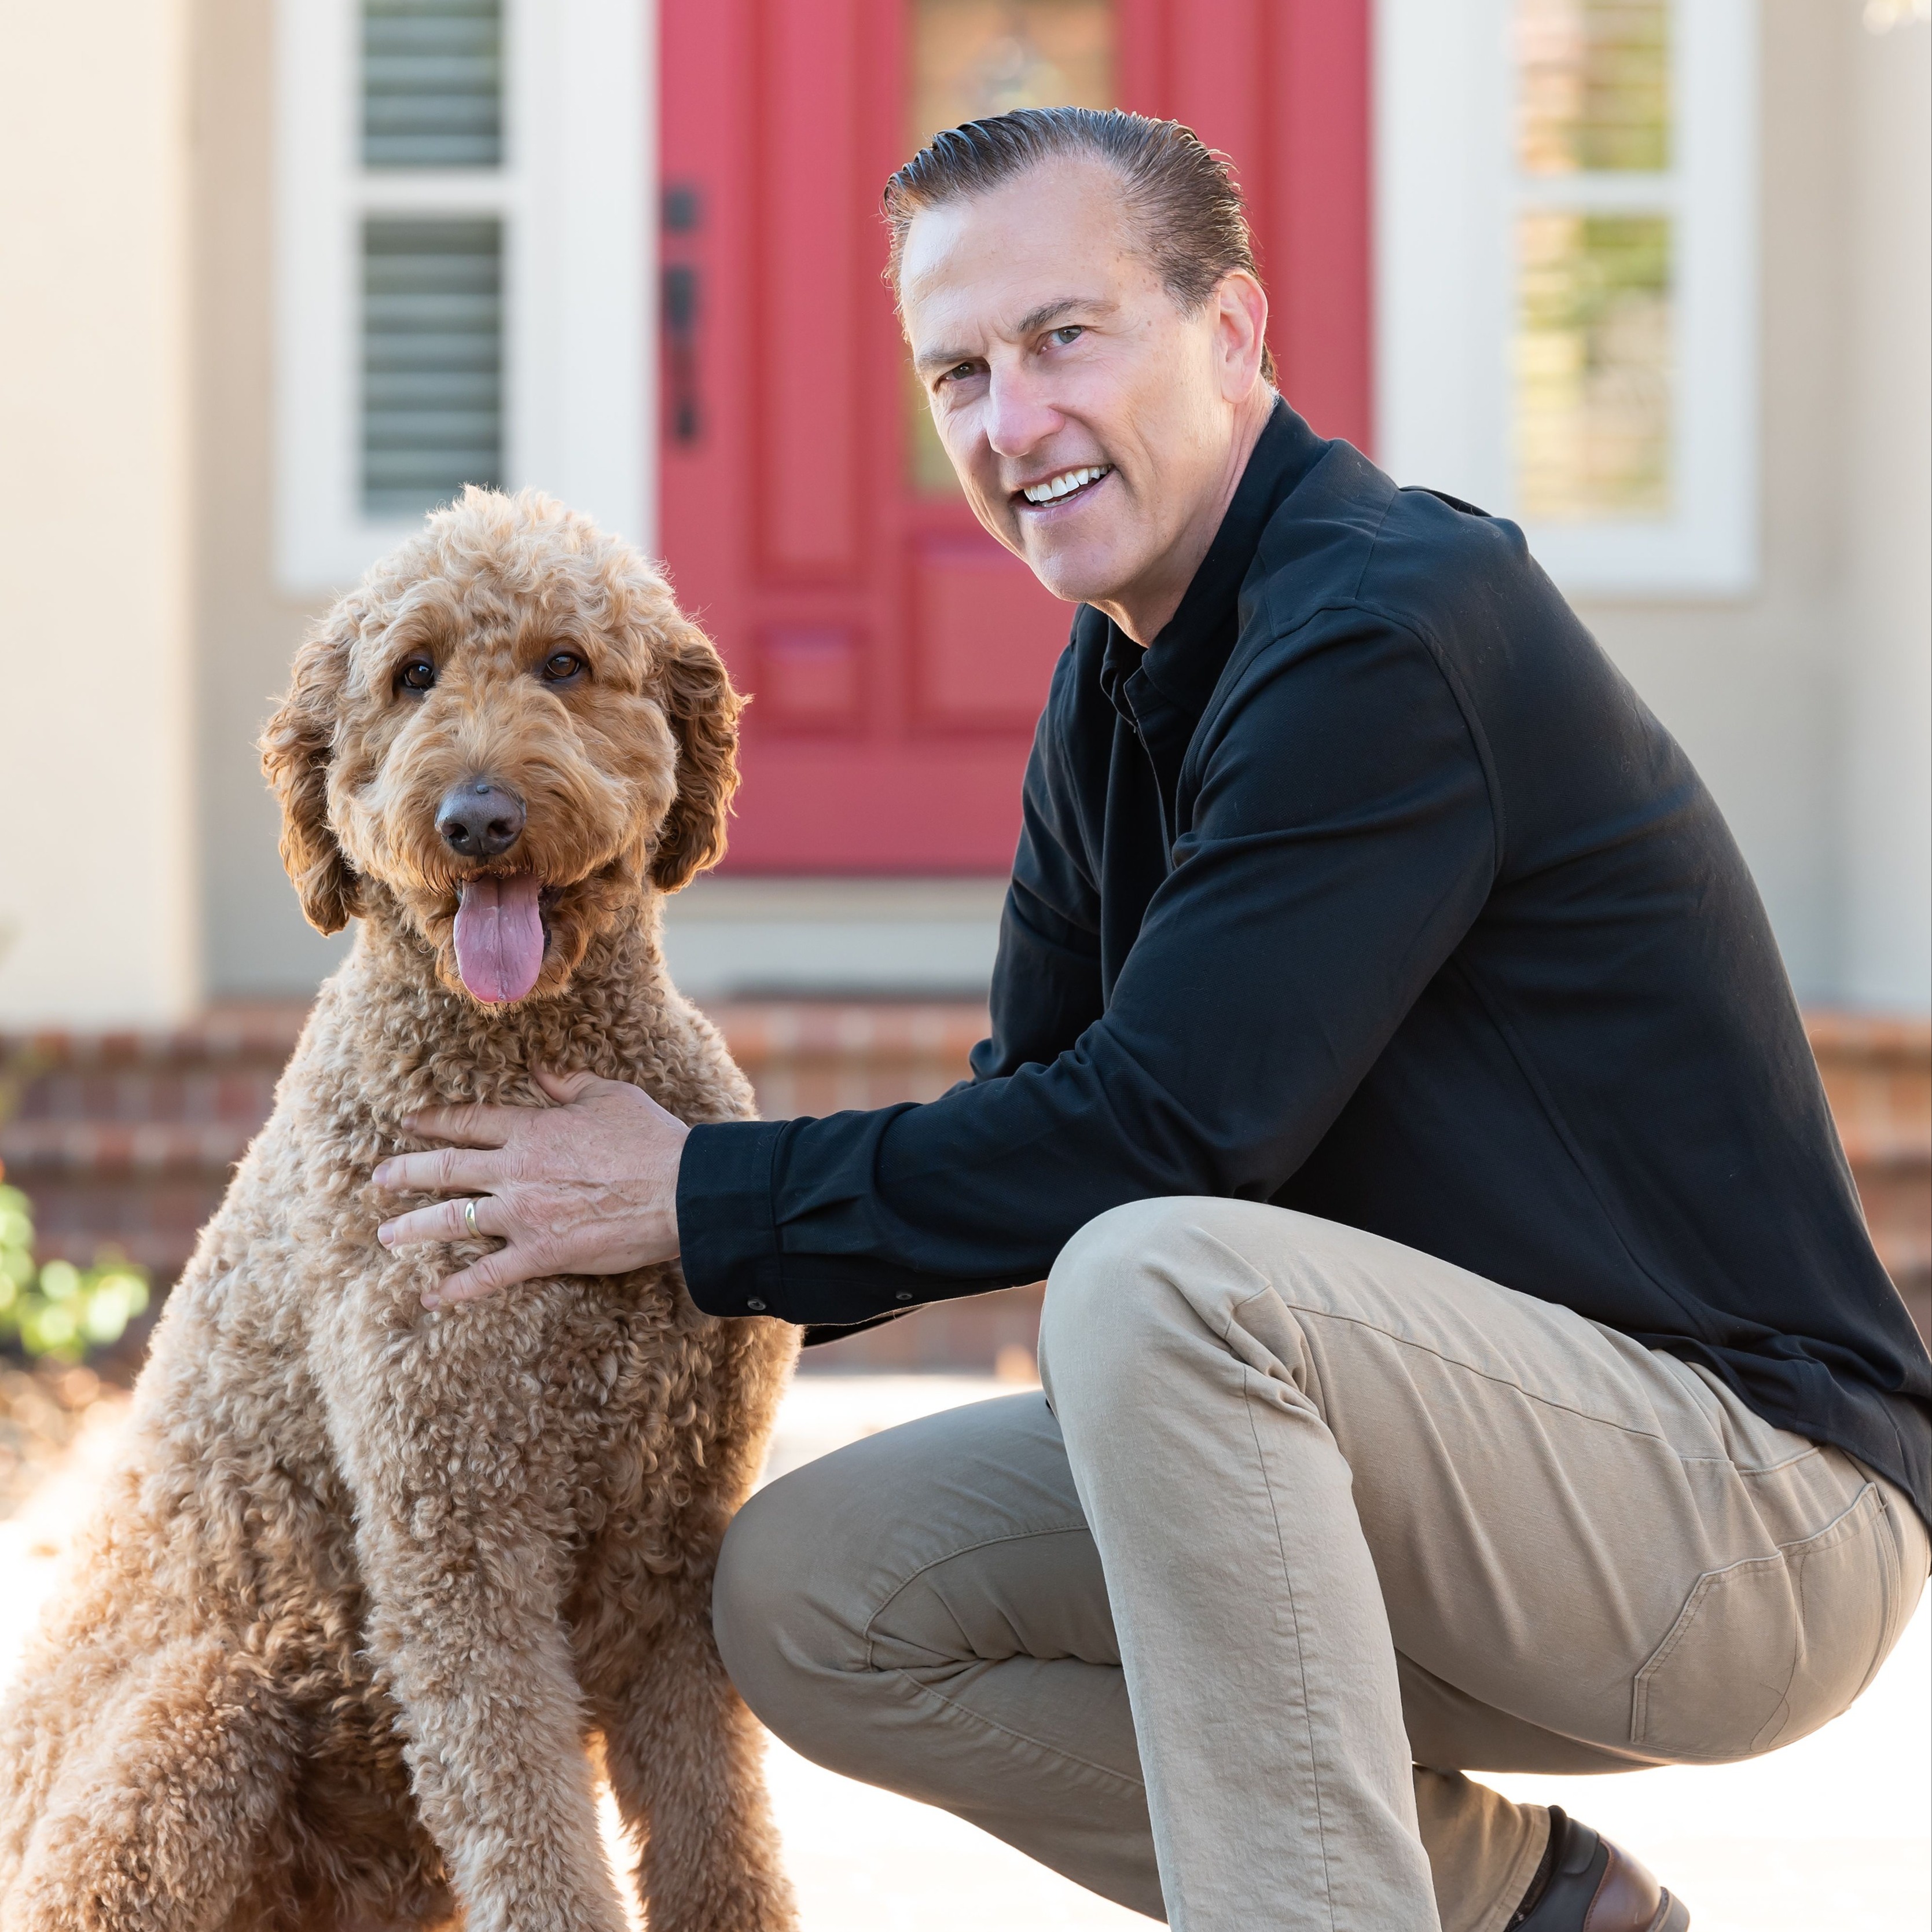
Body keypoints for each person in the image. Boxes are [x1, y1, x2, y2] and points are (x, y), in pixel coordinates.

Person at [372, 109, 1931, 1932]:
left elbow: (1163, 1134)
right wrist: (666, 1218)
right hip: (1429, 1488)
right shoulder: (1114, 676)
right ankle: (1529, 1907)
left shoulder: (1391, 627)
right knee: (813, 1591)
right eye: (955, 369)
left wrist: (693, 1193)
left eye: (1061, 337)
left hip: (1738, 1513)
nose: (1007, 420)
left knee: (1158, 1272)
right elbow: (1034, 1108)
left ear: (1235, 335)